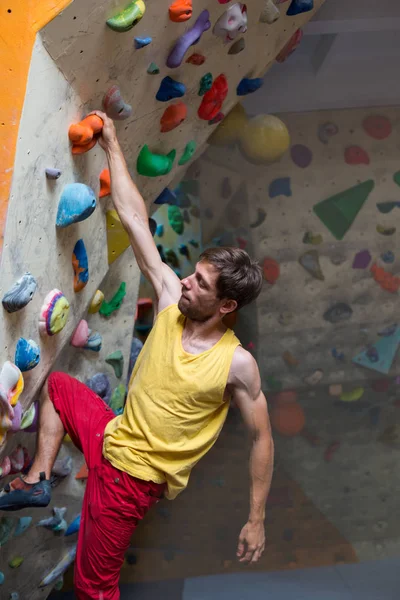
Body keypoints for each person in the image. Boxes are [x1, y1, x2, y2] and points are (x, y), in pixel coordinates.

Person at [0, 112, 274, 599]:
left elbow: (261, 440)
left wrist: (256, 519)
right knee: (60, 389)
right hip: (111, 434)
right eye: (192, 273)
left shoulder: (237, 365)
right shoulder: (172, 299)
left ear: (226, 305)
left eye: (201, 284)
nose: (186, 280)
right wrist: (112, 142)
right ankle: (39, 477)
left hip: (131, 480)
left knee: (94, 590)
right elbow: (132, 214)